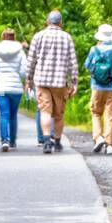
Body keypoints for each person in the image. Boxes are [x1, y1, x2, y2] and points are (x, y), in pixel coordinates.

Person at [28, 10, 77, 154]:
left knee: (45, 111)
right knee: (59, 114)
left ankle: (46, 141)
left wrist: (29, 80)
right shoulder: (67, 37)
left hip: (42, 80)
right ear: (60, 22)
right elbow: (72, 62)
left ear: (47, 21)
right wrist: (74, 82)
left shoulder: (38, 36)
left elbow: (31, 61)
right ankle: (57, 142)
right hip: (60, 81)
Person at [83, 24, 112, 154]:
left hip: (97, 87)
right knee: (111, 115)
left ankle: (98, 138)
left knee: (96, 112)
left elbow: (87, 65)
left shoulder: (94, 49)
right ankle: (109, 145)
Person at [0, 27, 28, 152]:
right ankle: (12, 141)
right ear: (14, 36)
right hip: (15, 87)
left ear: (3, 36)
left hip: (0, 86)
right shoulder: (20, 51)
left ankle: (4, 140)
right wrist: (19, 77)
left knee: (4, 114)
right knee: (13, 115)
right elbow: (24, 71)